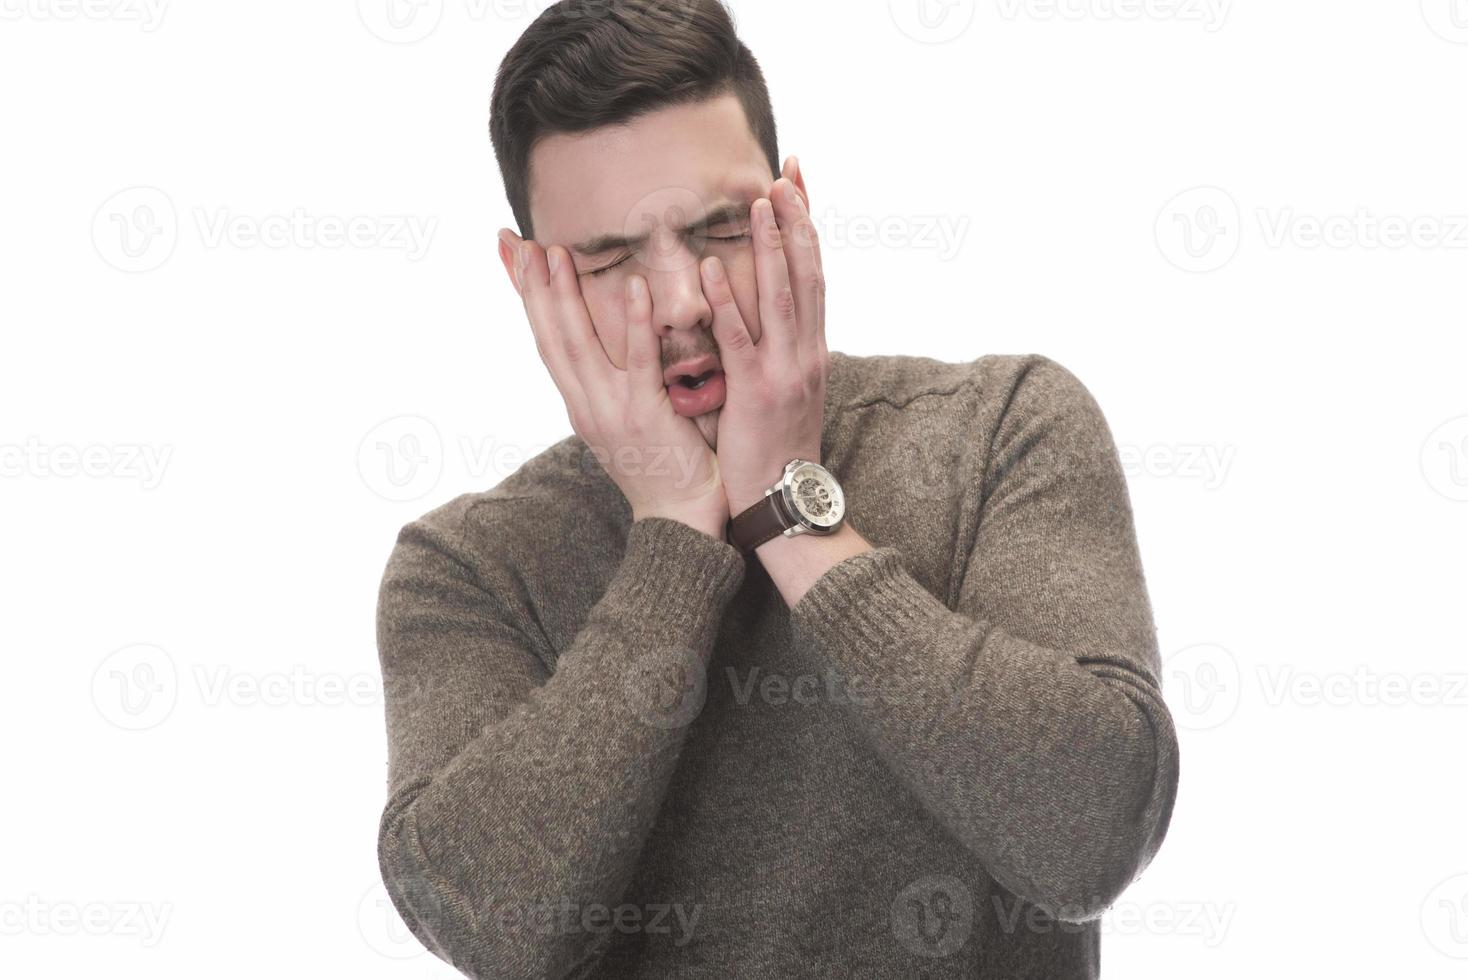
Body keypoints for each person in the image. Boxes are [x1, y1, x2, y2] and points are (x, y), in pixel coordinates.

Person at [374, 1, 1179, 976]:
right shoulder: (470, 566)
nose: (680, 304)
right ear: (532, 277)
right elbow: (492, 925)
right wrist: (674, 529)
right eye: (610, 258)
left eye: (719, 230)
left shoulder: (1000, 425)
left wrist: (786, 504)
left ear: (789, 208)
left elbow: (1087, 833)